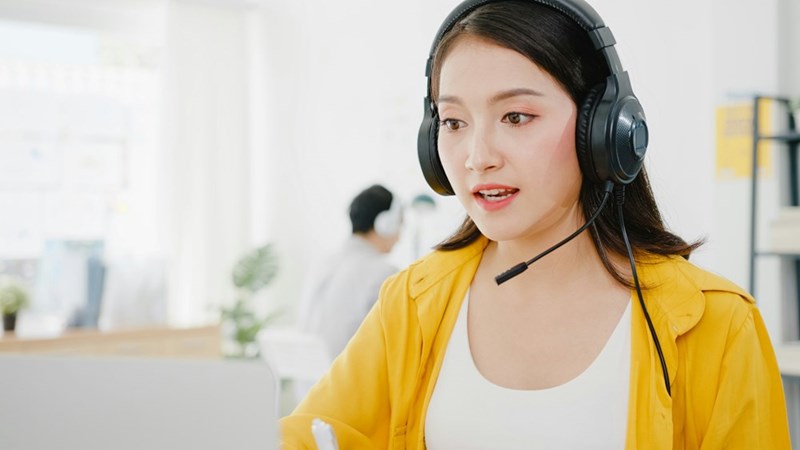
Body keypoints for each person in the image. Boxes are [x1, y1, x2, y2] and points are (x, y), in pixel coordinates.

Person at [281, 1, 791, 448]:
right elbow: (313, 435)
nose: (477, 158)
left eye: (516, 117)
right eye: (454, 122)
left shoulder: (716, 325)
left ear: (604, 132)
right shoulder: (413, 304)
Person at [297, 184, 402, 360]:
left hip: (312, 384)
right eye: (400, 225)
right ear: (385, 223)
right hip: (352, 381)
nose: (399, 236)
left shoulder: (322, 264)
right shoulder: (384, 273)